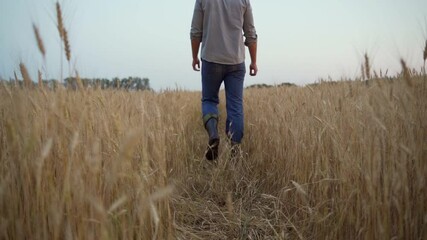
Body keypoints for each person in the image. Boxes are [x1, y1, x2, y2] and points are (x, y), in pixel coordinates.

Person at [190, 0, 258, 160]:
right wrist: (253, 61)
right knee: (235, 106)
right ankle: (235, 150)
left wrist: (194, 57)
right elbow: (250, 33)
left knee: (209, 100)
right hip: (236, 61)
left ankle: (213, 134)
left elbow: (195, 31)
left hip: (211, 59)